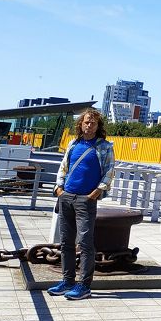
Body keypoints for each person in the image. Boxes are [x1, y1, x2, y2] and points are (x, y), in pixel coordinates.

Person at [48, 108, 115, 301]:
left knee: (85, 243)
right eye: (86, 122)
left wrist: (97, 191)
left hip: (86, 200)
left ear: (98, 126)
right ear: (81, 124)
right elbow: (64, 167)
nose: (89, 125)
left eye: (93, 123)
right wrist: (59, 189)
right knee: (66, 242)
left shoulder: (105, 146)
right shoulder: (73, 143)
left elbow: (110, 170)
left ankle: (84, 286)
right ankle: (67, 281)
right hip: (66, 196)